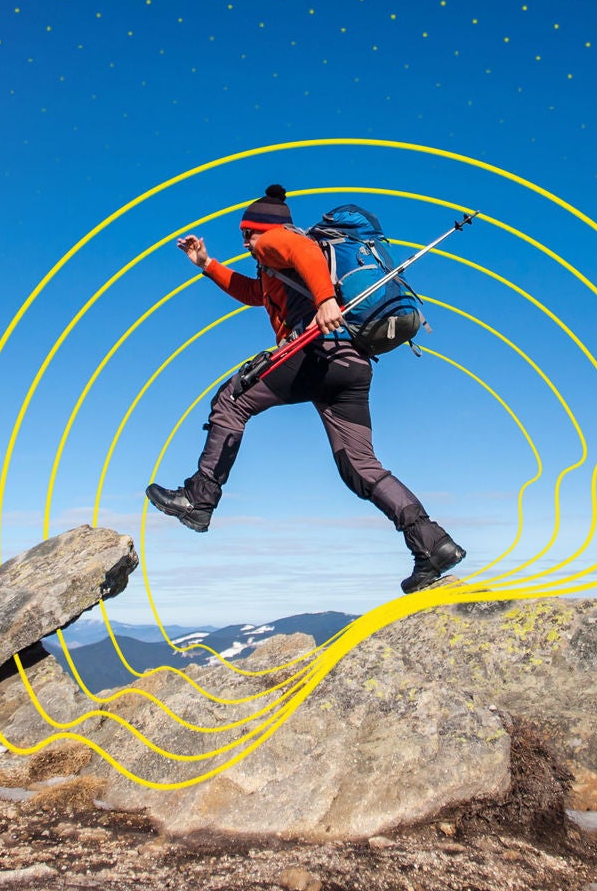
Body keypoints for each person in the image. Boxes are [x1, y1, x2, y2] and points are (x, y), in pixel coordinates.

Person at [145, 185, 467, 594]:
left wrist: (326, 300)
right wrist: (207, 263)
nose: (246, 243)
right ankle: (433, 545)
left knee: (231, 400)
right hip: (350, 363)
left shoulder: (283, 240)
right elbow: (254, 294)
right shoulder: (273, 266)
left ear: (263, 228)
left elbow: (305, 255)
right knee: (360, 467)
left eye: (248, 234)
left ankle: (199, 498)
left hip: (314, 350)